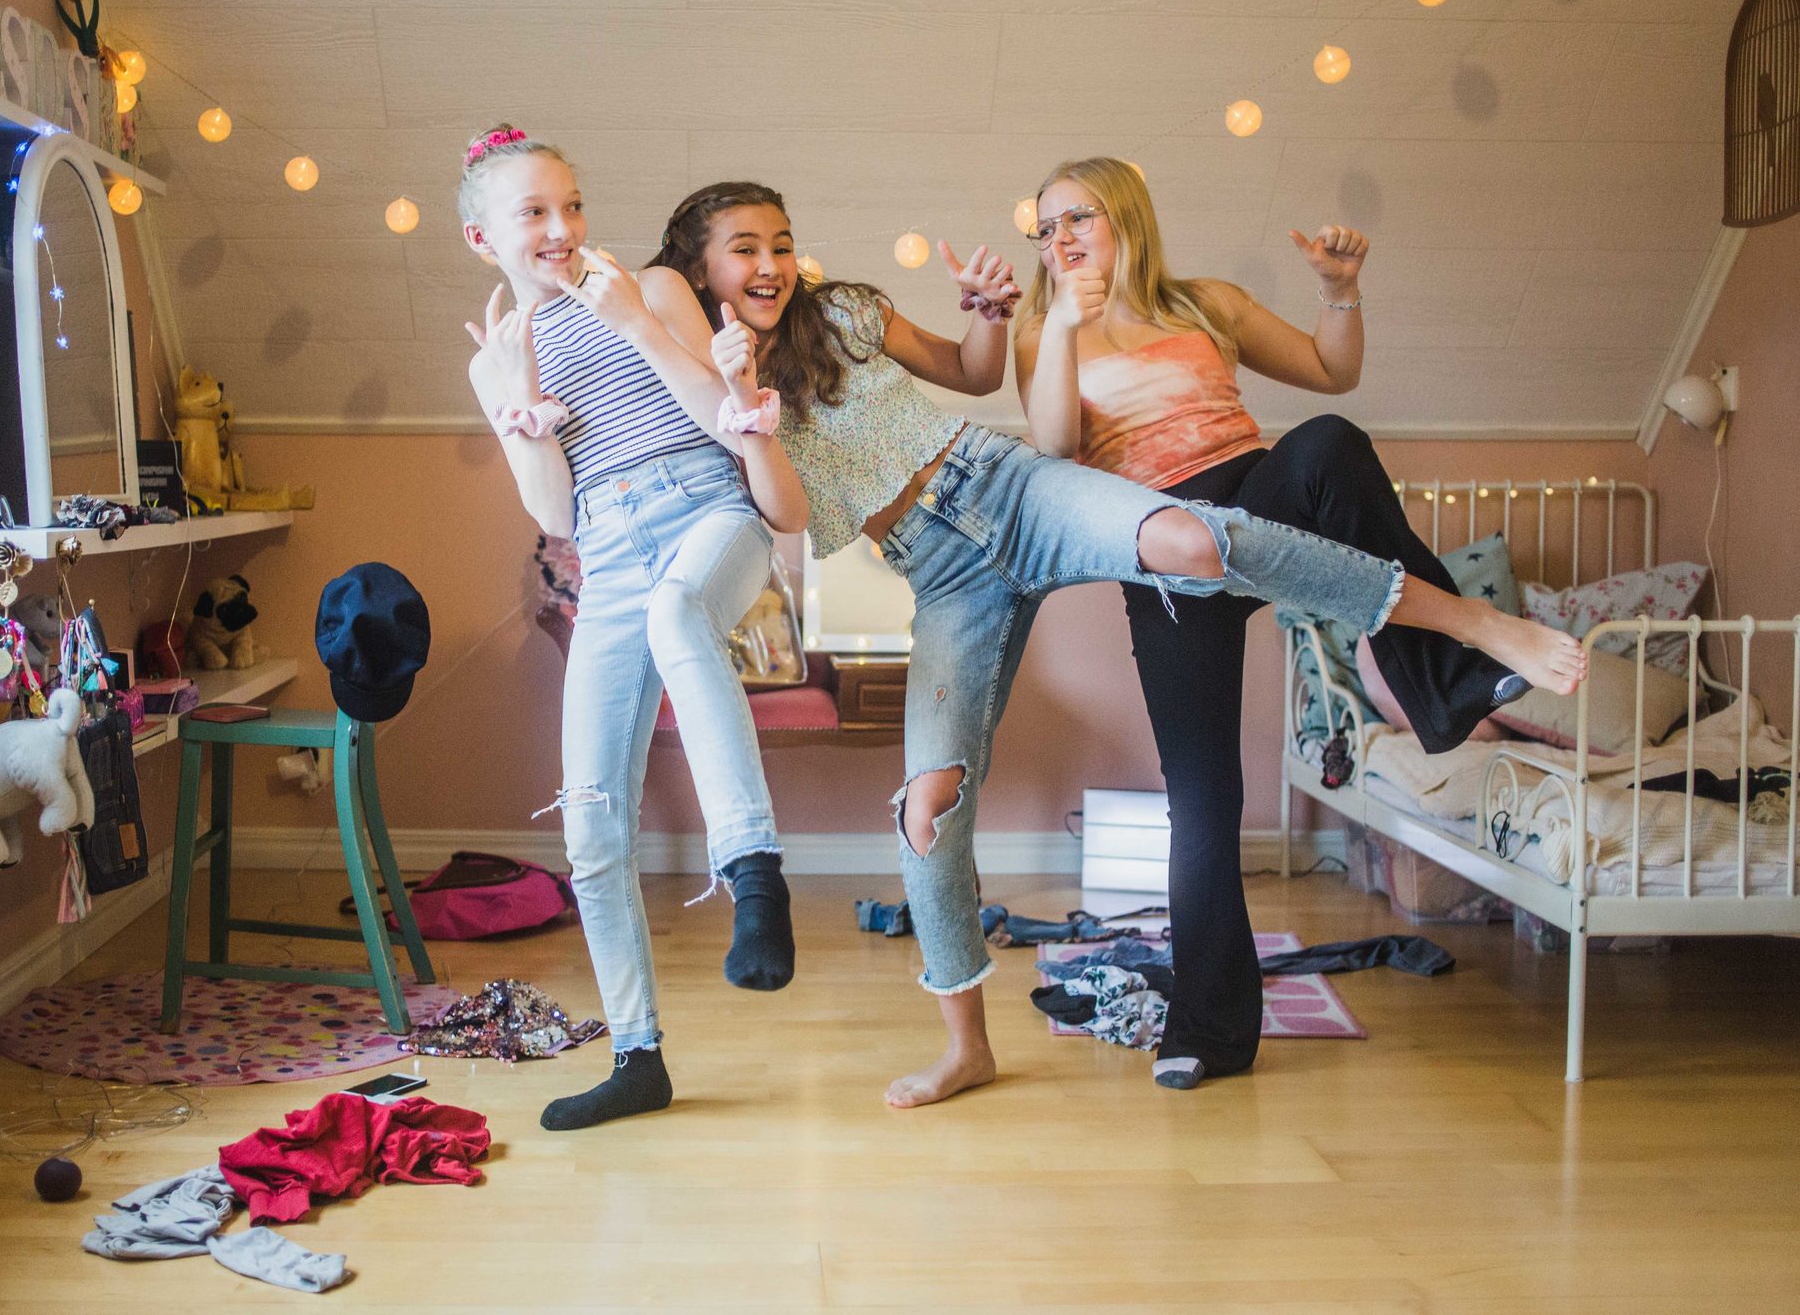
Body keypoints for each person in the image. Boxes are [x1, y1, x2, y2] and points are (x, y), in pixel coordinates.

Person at [651, 180, 1585, 1106]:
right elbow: (788, 510)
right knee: (926, 812)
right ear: (698, 270)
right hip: (941, 574)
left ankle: (1469, 622)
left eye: (780, 241)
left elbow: (974, 374)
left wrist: (985, 313)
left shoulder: (845, 310)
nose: (770, 264)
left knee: (1187, 537)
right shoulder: (711, 392)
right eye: (744, 248)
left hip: (1006, 487)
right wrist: (740, 396)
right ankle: (964, 1046)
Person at [1012, 155, 1586, 1087]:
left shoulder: (1207, 305)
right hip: (1162, 549)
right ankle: (1207, 1031)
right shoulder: (1044, 333)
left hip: (1257, 501)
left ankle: (1441, 682)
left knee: (1326, 446)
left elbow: (1331, 373)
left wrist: (1339, 291)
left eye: (1074, 217)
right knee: (1204, 797)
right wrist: (1070, 326)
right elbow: (1052, 452)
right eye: (1042, 229)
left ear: (1124, 214)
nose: (1056, 239)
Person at [457, 129, 806, 1129]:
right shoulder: (495, 366)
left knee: (677, 611)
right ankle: (637, 1055)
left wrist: (638, 323)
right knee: (590, 815)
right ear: (484, 238)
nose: (563, 229)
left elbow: (721, 415)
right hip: (607, 548)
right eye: (535, 213)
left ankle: (753, 870)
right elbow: (557, 516)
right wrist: (519, 404)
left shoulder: (649, 285)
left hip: (709, 510)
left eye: (572, 204)